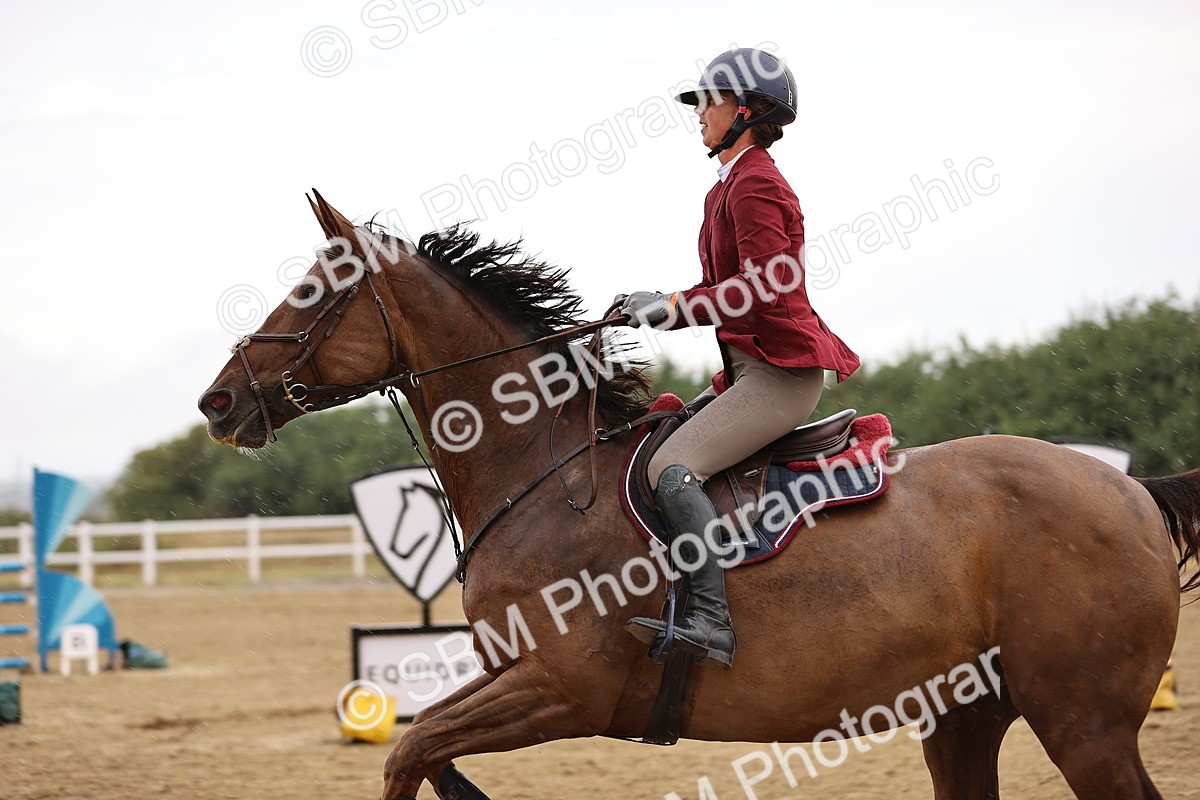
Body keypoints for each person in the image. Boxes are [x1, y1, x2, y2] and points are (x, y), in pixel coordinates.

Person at [617, 48, 860, 670]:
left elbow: (763, 289)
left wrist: (668, 307)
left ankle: (711, 623)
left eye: (710, 100)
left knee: (672, 468)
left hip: (779, 376)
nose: (698, 112)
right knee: (650, 443)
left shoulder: (756, 184)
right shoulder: (727, 185)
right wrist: (658, 303)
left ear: (745, 111)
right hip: (749, 369)